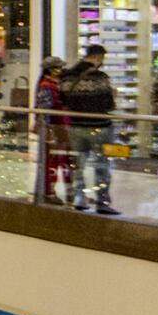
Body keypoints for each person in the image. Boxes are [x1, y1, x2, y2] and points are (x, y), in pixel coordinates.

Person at [61, 45, 120, 215]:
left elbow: (62, 100)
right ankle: (102, 201)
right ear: (97, 58)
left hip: (75, 126)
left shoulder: (66, 76)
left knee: (78, 164)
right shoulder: (100, 77)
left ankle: (79, 199)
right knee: (102, 165)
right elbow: (109, 103)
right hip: (99, 126)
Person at [34, 56, 72, 204]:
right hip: (55, 128)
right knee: (53, 161)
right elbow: (44, 110)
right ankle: (49, 192)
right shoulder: (46, 86)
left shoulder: (58, 84)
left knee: (65, 160)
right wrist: (48, 129)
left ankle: (69, 191)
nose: (61, 71)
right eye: (58, 68)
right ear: (51, 70)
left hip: (63, 126)